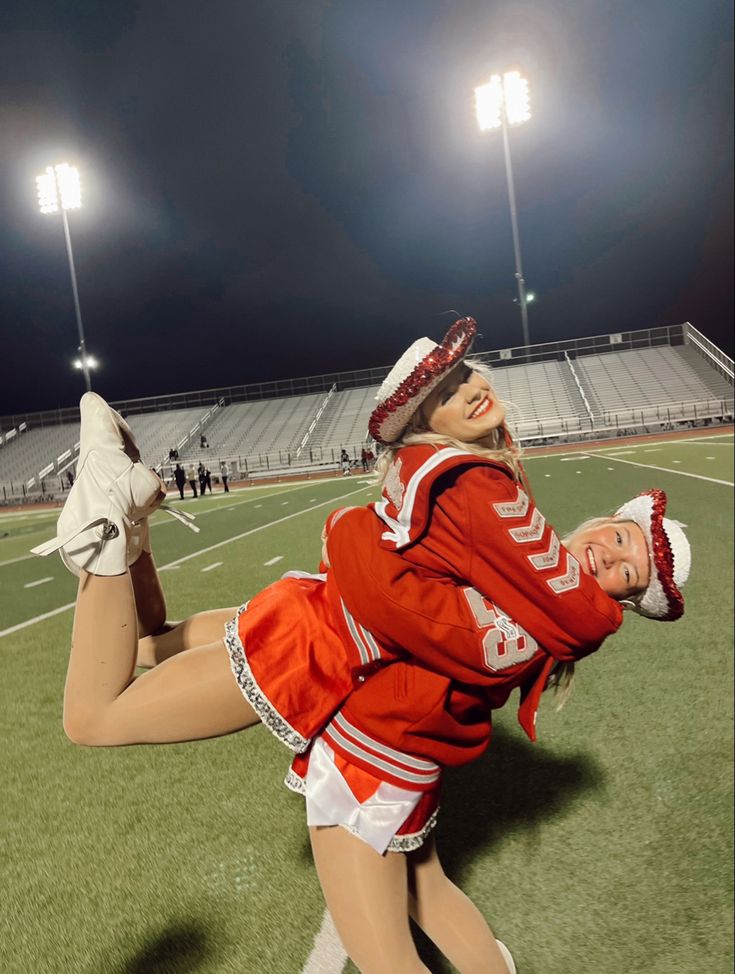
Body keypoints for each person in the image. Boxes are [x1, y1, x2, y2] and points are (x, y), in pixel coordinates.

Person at [31, 318, 690, 974]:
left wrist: (350, 533)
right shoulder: (538, 563)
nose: (606, 555)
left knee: (94, 716)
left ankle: (106, 528)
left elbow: (408, 606)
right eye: (619, 537)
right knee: (145, 649)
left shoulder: (552, 609)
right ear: (606, 519)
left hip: (344, 690)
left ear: (622, 603)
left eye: (624, 572)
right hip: (330, 650)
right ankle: (121, 514)